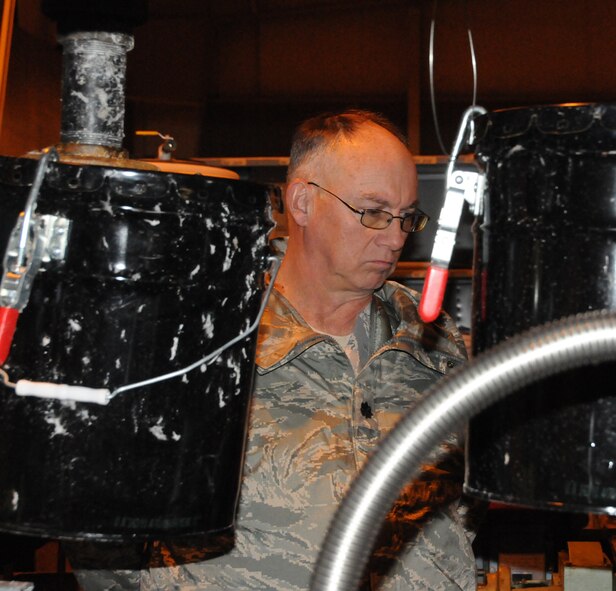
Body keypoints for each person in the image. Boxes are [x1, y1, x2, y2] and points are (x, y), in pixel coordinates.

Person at [71, 109, 477, 590]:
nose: (394, 239)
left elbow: (466, 503)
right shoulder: (204, 337)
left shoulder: (434, 341)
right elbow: (100, 525)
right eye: (372, 213)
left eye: (407, 217)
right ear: (302, 203)